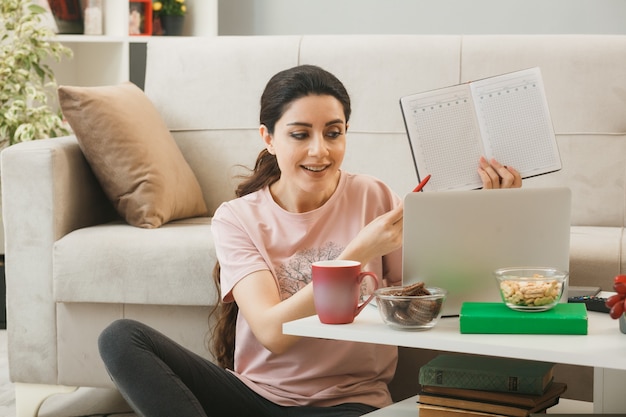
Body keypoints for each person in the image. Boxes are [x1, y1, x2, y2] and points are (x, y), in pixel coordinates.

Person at [98, 65, 522, 417]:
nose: (319, 151)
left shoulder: (373, 197)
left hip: (350, 404)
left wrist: (489, 214)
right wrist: (357, 254)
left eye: (333, 133)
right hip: (255, 399)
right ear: (268, 137)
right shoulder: (238, 217)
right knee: (120, 338)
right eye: (300, 134)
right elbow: (272, 332)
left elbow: (435, 302)